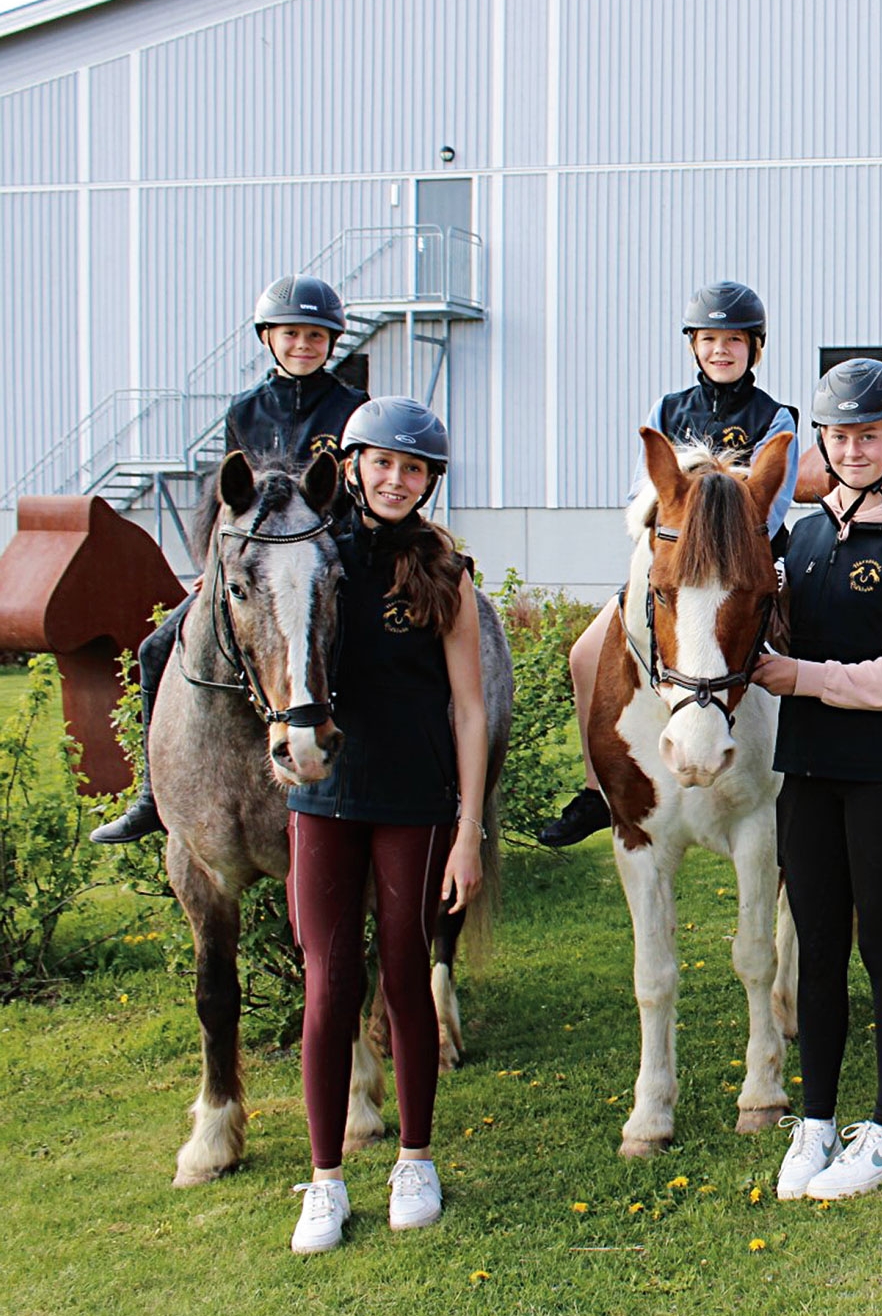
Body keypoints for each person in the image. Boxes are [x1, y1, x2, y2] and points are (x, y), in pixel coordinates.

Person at [284, 396, 489, 1253]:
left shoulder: (445, 569)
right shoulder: (312, 554)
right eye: (382, 463)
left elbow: (470, 709)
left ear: (429, 480)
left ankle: (415, 1159)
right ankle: (325, 1179)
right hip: (325, 797)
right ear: (354, 465)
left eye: (413, 468)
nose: (396, 479)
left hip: (416, 801)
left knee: (405, 974)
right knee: (329, 985)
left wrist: (470, 829)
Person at [752, 359, 882, 1202]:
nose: (853, 449)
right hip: (807, 774)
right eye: (838, 437)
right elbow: (778, 633)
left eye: (868, 435)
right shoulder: (801, 538)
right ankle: (818, 1123)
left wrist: (803, 676)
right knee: (818, 950)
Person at [90, 273, 367, 844]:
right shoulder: (245, 411)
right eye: (291, 334)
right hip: (255, 567)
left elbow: (359, 493)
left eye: (316, 336)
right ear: (268, 337)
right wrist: (214, 569)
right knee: (154, 648)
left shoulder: (353, 409)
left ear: (332, 343)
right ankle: (152, 796)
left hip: (325, 562)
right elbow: (225, 503)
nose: (303, 345)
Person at [538, 280, 801, 847]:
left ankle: (802, 778)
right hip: (675, 568)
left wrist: (717, 518)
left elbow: (772, 508)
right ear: (693, 346)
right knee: (584, 655)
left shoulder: (776, 418)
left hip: (742, 573)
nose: (720, 350)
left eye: (734, 340)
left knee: (805, 649)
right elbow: (644, 498)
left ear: (755, 348)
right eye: (709, 340)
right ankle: (596, 789)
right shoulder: (667, 409)